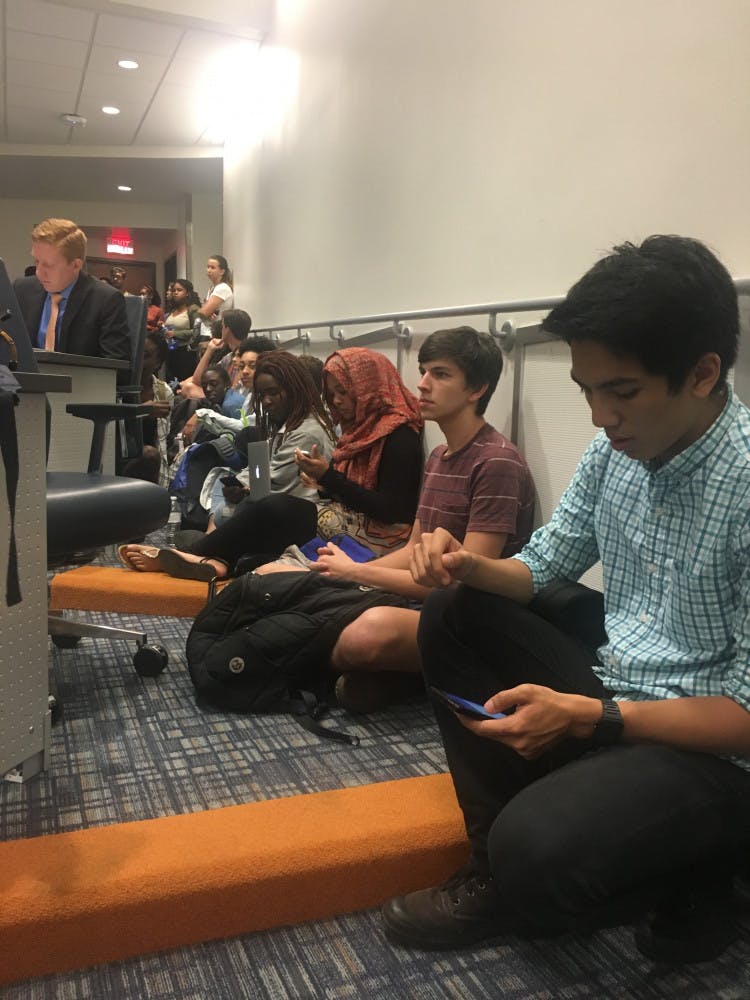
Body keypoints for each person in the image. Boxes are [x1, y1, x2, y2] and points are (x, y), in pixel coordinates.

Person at [380, 236, 750, 964]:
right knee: (455, 611)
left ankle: (708, 872)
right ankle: (495, 864)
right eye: (586, 390)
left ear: (703, 373)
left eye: (622, 392)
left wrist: (592, 718)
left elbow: (746, 718)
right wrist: (463, 564)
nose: (600, 415)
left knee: (537, 852)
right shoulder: (616, 452)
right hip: (623, 686)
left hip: (720, 747)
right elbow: (541, 565)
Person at [282, 328, 535, 714]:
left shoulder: (496, 461)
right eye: (423, 371)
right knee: (300, 583)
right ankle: (400, 674)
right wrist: (354, 574)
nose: (422, 384)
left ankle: (408, 672)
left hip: (469, 616)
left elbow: (465, 584)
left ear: (477, 389)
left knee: (364, 633)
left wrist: (359, 573)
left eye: (440, 374)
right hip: (425, 598)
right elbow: (414, 546)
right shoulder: (438, 456)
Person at [120, 351, 338, 578]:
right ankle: (215, 555)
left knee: (265, 506)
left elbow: (276, 483)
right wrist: (242, 484)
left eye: (273, 393)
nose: (266, 401)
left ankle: (195, 552)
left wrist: (247, 488)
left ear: (295, 389)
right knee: (231, 486)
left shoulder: (307, 432)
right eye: (262, 395)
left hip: (303, 516)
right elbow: (263, 471)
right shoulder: (286, 424)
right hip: (283, 507)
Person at [13, 218, 130, 374]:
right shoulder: (22, 290)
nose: (39, 272)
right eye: (37, 261)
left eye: (48, 265)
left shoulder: (106, 300)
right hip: (23, 384)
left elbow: (117, 371)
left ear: (76, 265)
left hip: (78, 386)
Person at [121, 330, 174, 486]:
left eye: (145, 355)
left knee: (150, 455)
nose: (138, 360)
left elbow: (162, 440)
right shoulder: (119, 387)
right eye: (135, 353)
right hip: (120, 457)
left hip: (152, 467)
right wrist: (142, 412)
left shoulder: (164, 392)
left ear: (158, 363)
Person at [178, 308, 252, 400]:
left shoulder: (246, 356)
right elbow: (198, 379)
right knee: (188, 386)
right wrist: (210, 350)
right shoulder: (229, 357)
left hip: (238, 400)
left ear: (227, 330)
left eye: (222, 326)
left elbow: (236, 389)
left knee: (189, 389)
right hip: (228, 397)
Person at [196, 254, 234, 341]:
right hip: (209, 331)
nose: (209, 270)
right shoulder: (213, 288)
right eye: (208, 267)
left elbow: (203, 312)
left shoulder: (222, 288)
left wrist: (203, 311)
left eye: (213, 268)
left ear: (222, 271)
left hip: (214, 334)